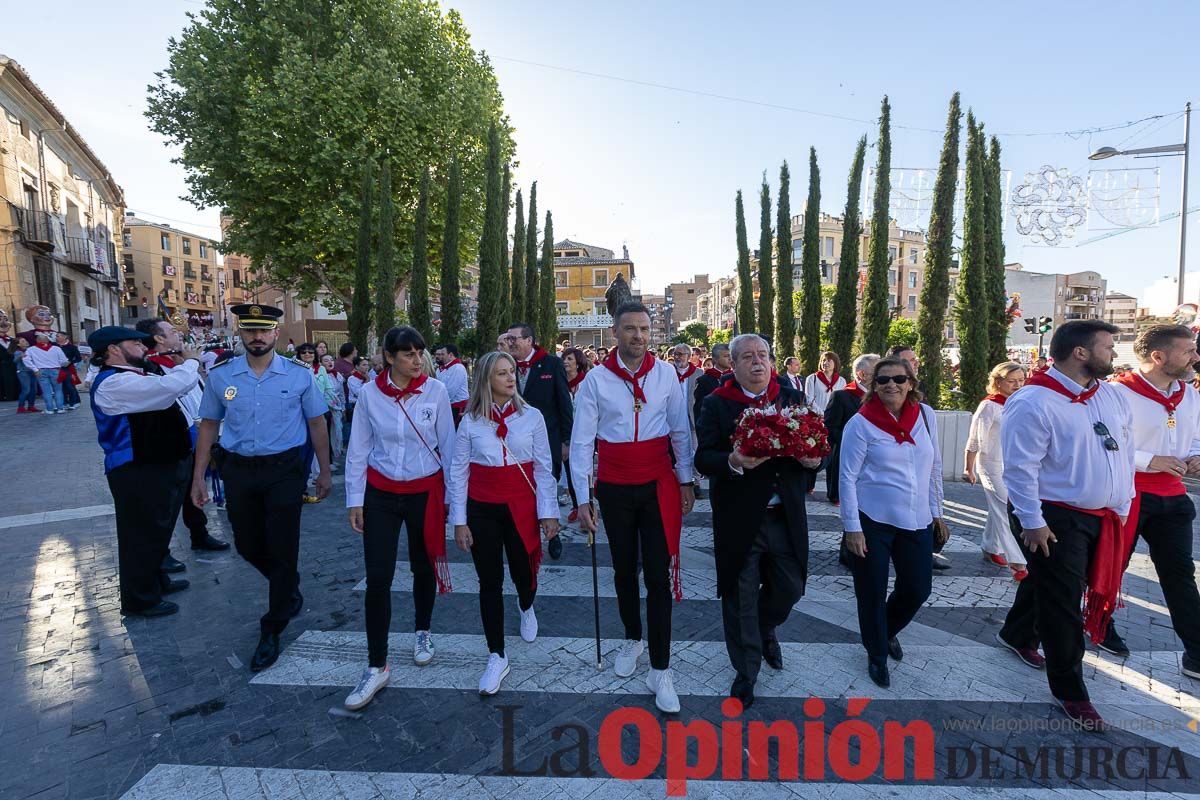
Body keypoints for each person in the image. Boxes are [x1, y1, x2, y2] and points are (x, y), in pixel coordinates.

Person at [996, 320, 1134, 730]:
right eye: (1108, 347)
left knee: (1048, 583)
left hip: (1101, 516)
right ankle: (1070, 690)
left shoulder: (1109, 395)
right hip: (1053, 517)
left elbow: (1122, 451)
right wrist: (1032, 523)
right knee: (1063, 601)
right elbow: (1020, 470)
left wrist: (1122, 503)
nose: (1113, 354)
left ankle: (1017, 634)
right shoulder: (1033, 401)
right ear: (1080, 353)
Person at [191, 304, 331, 672]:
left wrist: (324, 472)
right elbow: (208, 425)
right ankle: (288, 586)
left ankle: (272, 626)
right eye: (250, 330)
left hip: (284, 470)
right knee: (247, 543)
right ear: (240, 333)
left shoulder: (300, 375)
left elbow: (317, 423)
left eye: (263, 330)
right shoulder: (221, 376)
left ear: (275, 333)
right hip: (238, 470)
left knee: (283, 546)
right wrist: (198, 477)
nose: (257, 337)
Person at [571, 301, 695, 713]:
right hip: (615, 485)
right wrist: (583, 499)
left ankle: (661, 667)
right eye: (630, 329)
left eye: (644, 328)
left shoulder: (666, 375)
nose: (638, 336)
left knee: (658, 575)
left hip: (657, 482)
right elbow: (581, 444)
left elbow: (680, 431)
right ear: (615, 331)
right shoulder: (595, 381)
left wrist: (685, 480)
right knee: (624, 570)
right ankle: (631, 638)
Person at [696, 333, 818, 708]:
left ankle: (766, 628)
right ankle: (746, 672)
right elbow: (704, 458)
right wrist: (732, 461)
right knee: (740, 598)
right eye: (747, 356)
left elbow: (818, 445)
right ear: (733, 364)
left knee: (791, 588)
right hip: (739, 517)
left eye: (762, 355)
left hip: (785, 515)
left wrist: (816, 462)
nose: (757, 362)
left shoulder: (792, 399)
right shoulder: (717, 404)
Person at [342, 326, 456, 710]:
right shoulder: (369, 395)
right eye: (407, 354)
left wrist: (455, 504)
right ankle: (377, 663)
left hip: (425, 492)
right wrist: (354, 500)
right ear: (389, 357)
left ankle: (422, 630)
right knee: (378, 576)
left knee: (423, 567)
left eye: (420, 352)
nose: (417, 360)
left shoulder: (436, 392)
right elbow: (358, 449)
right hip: (381, 492)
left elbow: (451, 449)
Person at [449, 351, 560, 696]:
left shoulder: (533, 417)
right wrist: (458, 520)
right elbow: (459, 471)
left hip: (521, 506)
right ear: (486, 380)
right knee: (489, 581)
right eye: (501, 373)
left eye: (512, 371)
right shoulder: (469, 422)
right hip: (482, 507)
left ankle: (526, 605)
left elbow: (544, 467)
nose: (511, 378)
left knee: (524, 574)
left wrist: (549, 511)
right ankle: (496, 654)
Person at [839, 356, 946, 688]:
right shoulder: (861, 423)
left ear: (911, 383)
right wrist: (851, 528)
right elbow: (847, 477)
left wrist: (938, 512)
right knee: (870, 590)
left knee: (917, 588)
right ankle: (876, 653)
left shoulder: (925, 417)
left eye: (899, 379)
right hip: (873, 519)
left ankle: (886, 630)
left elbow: (934, 468)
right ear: (874, 386)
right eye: (883, 380)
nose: (891, 385)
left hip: (917, 519)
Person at [1104, 324, 1200, 679]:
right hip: (1127, 495)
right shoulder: (1116, 393)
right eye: (1188, 350)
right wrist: (1148, 460)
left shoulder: (1189, 395)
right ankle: (1099, 624)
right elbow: (1105, 444)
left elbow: (1194, 437)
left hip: (1173, 496)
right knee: (1113, 567)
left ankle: (1196, 652)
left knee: (1180, 575)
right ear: (1158, 357)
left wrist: (1194, 456)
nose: (1196, 356)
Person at [88, 326, 199, 617]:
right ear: (113, 349)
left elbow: (178, 390)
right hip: (136, 470)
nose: (142, 346)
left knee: (157, 530)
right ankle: (140, 599)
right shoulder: (113, 383)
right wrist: (190, 361)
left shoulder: (138, 374)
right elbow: (168, 389)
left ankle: (156, 581)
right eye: (134, 342)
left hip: (157, 465)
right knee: (140, 535)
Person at [136, 317, 230, 553]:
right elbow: (175, 389)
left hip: (195, 435)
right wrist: (189, 364)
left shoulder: (182, 362)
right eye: (171, 331)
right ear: (158, 338)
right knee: (166, 499)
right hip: (170, 442)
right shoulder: (150, 367)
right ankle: (160, 553)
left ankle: (199, 533)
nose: (179, 335)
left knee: (195, 487)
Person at [964, 362, 1027, 580]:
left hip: (1013, 464)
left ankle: (990, 546)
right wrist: (968, 467)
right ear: (998, 382)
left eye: (1021, 380)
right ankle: (1018, 562)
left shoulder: (1020, 403)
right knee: (1004, 507)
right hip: (990, 464)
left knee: (997, 507)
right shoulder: (988, 405)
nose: (1017, 385)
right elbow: (974, 439)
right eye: (1012, 381)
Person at [505, 322, 574, 483]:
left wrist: (566, 441)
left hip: (548, 440)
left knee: (546, 488)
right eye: (508, 339)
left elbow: (564, 403)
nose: (510, 343)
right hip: (517, 443)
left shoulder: (552, 364)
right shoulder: (507, 365)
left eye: (514, 339)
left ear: (529, 340)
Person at [824, 353, 878, 509]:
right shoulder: (841, 396)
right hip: (847, 455)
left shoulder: (881, 397)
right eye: (877, 372)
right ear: (862, 374)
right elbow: (830, 428)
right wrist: (854, 441)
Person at [671, 343, 705, 498]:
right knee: (674, 451)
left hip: (691, 416)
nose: (678, 357)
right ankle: (679, 481)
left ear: (689, 356)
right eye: (676, 354)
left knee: (695, 450)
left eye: (682, 354)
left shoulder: (698, 373)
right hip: (671, 417)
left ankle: (696, 481)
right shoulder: (669, 372)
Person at [561, 346, 590, 521]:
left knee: (584, 470)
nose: (565, 362)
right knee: (570, 469)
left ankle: (588, 505)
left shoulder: (586, 382)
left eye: (570, 359)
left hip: (585, 432)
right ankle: (576, 504)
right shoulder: (560, 382)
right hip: (567, 432)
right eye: (564, 358)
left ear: (578, 363)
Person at [24, 331, 69, 415]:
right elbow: (64, 361)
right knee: (58, 390)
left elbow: (26, 360)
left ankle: (50, 409)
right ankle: (60, 408)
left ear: (37, 340)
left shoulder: (31, 349)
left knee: (46, 391)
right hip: (55, 370)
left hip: (41, 370)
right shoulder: (56, 348)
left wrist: (35, 369)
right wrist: (59, 365)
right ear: (48, 340)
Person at [694, 342, 733, 422]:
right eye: (726, 356)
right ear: (715, 359)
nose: (730, 359)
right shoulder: (704, 380)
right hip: (712, 424)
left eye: (731, 356)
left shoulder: (736, 377)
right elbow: (699, 409)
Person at [434, 343, 469, 426]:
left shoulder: (458, 368)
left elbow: (451, 391)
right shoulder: (441, 369)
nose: (441, 356)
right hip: (447, 405)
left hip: (457, 407)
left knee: (453, 430)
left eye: (443, 354)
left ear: (450, 355)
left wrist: (439, 405)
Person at [55, 332, 83, 409]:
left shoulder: (72, 347)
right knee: (61, 386)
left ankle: (74, 402)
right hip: (57, 368)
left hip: (68, 368)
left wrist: (70, 362)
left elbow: (78, 358)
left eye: (58, 336)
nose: (56, 337)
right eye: (56, 336)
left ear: (64, 337)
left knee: (70, 385)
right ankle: (65, 402)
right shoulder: (54, 346)